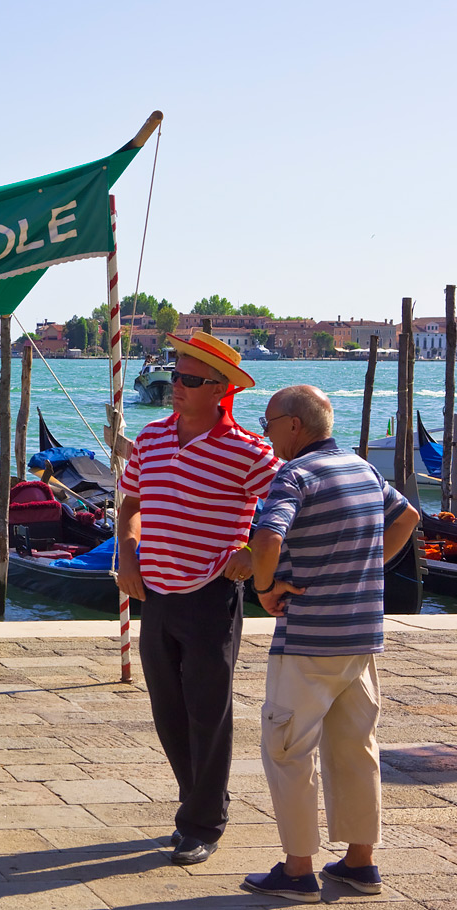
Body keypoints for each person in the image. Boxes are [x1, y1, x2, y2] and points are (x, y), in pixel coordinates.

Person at [240, 386, 418, 903]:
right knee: (355, 748)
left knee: (288, 748)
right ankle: (360, 863)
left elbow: (267, 539)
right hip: (361, 636)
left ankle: (298, 870)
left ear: (294, 425)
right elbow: (407, 518)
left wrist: (264, 588)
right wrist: (368, 567)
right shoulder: (363, 468)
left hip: (308, 639)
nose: (265, 431)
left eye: (269, 421)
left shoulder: (294, 475)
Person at [116, 330, 281, 865]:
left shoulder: (249, 451)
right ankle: (202, 799)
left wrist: (253, 551)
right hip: (155, 591)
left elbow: (289, 504)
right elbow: (130, 506)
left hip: (211, 592)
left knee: (207, 709)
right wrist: (129, 551)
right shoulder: (150, 439)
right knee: (167, 708)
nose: (175, 385)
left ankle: (203, 822)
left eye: (188, 378)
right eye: (173, 374)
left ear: (219, 389)